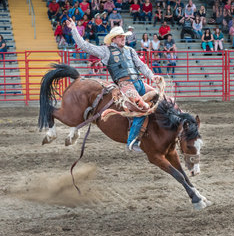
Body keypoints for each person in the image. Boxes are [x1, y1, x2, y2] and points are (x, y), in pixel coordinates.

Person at [66, 18, 162, 152]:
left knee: (159, 97)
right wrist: (74, 29)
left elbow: (141, 66)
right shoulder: (106, 51)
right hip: (125, 84)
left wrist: (152, 76)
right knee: (143, 107)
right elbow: (84, 46)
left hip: (139, 82)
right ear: (114, 39)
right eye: (120, 37)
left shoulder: (130, 51)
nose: (123, 38)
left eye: (124, 36)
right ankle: (132, 141)